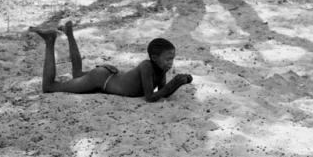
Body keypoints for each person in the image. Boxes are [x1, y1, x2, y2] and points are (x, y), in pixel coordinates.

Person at [30, 21, 192, 103]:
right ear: (155, 58)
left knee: (77, 75)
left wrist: (177, 83)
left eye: (173, 59)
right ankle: (50, 41)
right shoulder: (147, 66)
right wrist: (174, 83)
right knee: (49, 87)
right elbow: (150, 97)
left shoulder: (160, 69)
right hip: (102, 79)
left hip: (107, 76)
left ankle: (70, 34)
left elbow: (162, 92)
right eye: (168, 59)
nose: (171, 63)